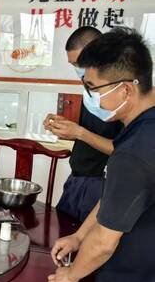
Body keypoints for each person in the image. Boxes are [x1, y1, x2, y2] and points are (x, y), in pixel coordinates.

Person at [48, 28, 155, 282]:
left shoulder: (134, 151)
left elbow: (106, 241)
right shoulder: (140, 129)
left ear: (126, 89)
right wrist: (79, 236)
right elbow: (114, 199)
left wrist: (71, 274)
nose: (90, 97)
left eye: (93, 88)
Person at [43, 27, 123, 222]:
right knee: (64, 233)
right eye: (73, 64)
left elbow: (125, 150)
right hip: (77, 179)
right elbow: (91, 131)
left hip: (101, 183)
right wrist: (66, 128)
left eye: (80, 62)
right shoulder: (90, 88)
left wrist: (79, 132)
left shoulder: (120, 94)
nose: (78, 70)